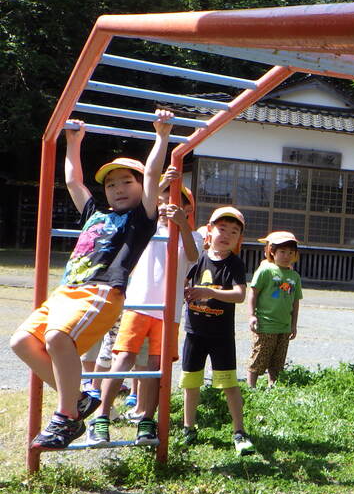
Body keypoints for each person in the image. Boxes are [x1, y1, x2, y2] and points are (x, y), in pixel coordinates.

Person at [9, 111, 174, 450]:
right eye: (111, 184)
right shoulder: (95, 213)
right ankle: (81, 399)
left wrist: (161, 136)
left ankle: (67, 417)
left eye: (127, 181)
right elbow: (73, 182)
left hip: (101, 290)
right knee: (22, 342)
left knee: (57, 337)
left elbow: (154, 172)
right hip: (66, 291)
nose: (117, 188)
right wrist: (73, 143)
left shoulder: (140, 218)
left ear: (142, 188)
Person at [87, 175, 200, 447]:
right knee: (122, 358)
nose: (165, 205)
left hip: (168, 312)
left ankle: (147, 420)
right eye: (161, 199)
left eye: (173, 202)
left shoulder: (188, 234)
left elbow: (193, 257)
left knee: (155, 366)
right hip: (138, 305)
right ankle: (101, 416)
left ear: (186, 210)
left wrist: (182, 225)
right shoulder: (145, 227)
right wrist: (160, 184)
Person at [181, 206, 255, 455]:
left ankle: (239, 431)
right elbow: (184, 281)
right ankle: (188, 427)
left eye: (233, 232)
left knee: (229, 384)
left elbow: (240, 294)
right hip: (194, 332)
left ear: (238, 240)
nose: (226, 235)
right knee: (191, 384)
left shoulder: (234, 263)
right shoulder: (198, 257)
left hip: (221, 336)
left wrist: (210, 292)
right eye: (222, 229)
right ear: (209, 231)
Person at [247, 231, 303, 388]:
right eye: (282, 252)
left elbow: (295, 302)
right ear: (272, 251)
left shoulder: (295, 276)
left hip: (284, 326)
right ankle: (251, 388)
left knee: (278, 361)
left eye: (291, 253)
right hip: (265, 324)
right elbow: (253, 292)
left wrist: (294, 325)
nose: (287, 256)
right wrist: (251, 315)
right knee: (260, 356)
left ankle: (273, 387)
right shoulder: (266, 270)